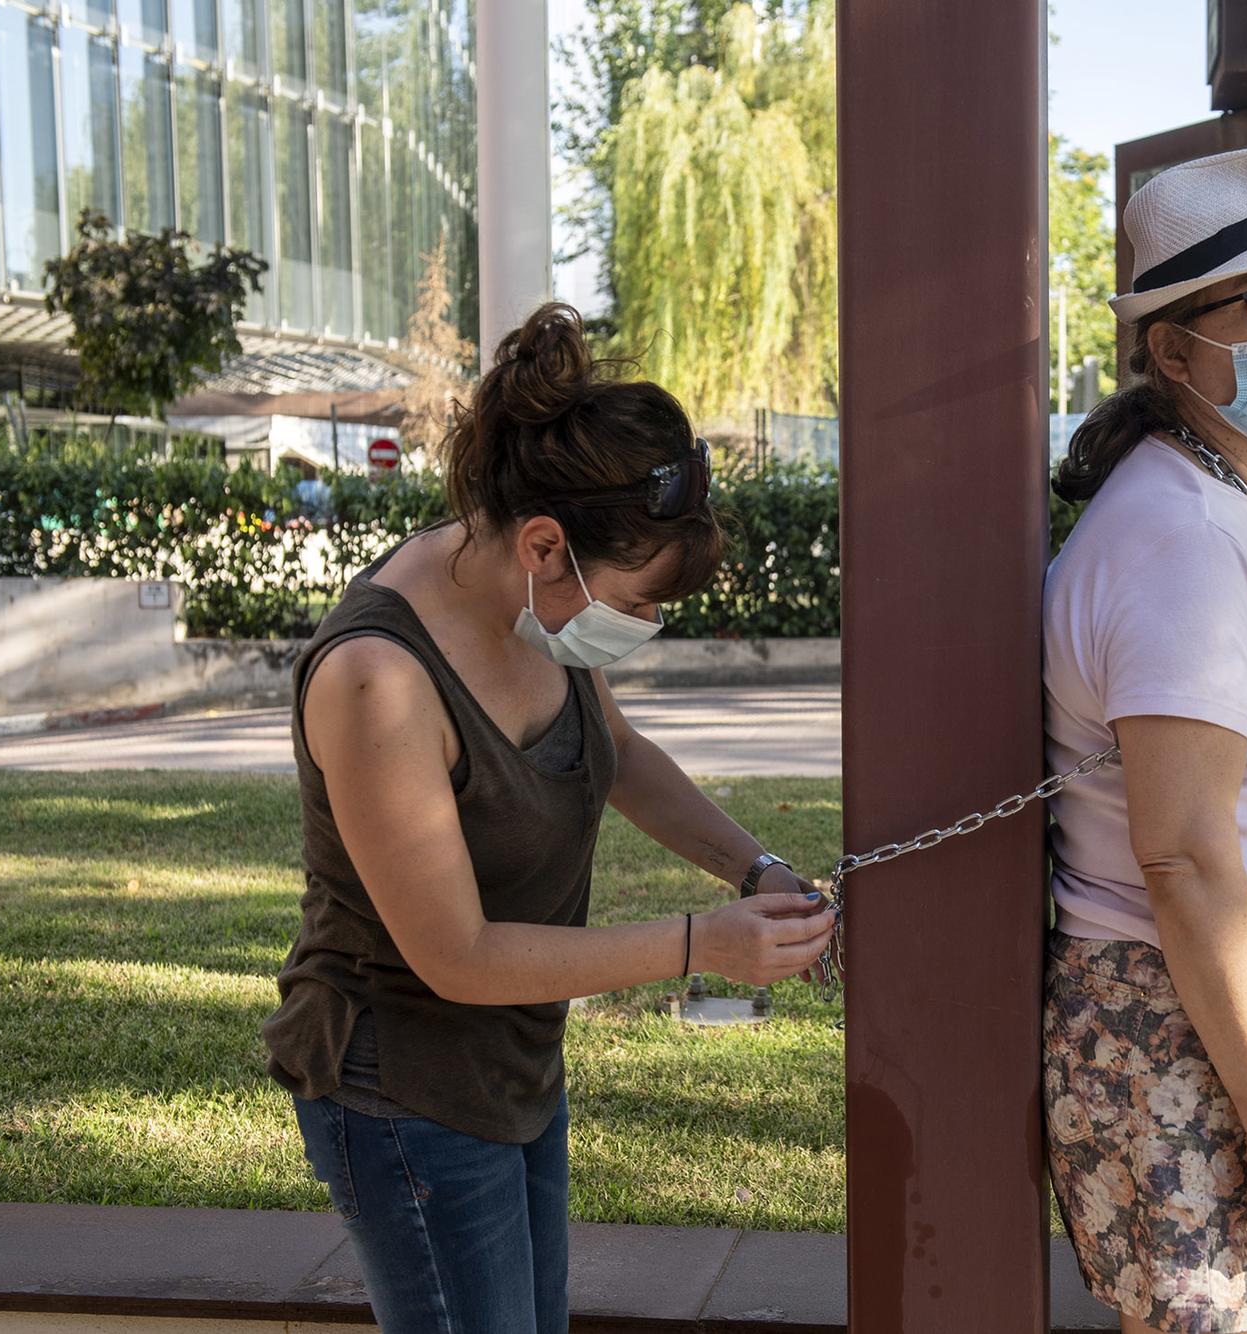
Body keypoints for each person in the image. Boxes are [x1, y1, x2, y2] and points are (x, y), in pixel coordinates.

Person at [260, 302, 836, 1334]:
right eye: (641, 597)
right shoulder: (377, 680)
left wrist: (756, 869)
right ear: (544, 543)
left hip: (516, 1060)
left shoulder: (531, 604)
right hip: (402, 1085)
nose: (647, 625)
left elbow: (621, 759)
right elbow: (459, 954)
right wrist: (705, 943)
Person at [1041, 144, 1247, 1334]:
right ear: (1173, 350)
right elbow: (1180, 853)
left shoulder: (1210, 508)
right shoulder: (1178, 536)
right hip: (1180, 1040)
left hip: (1203, 1035)